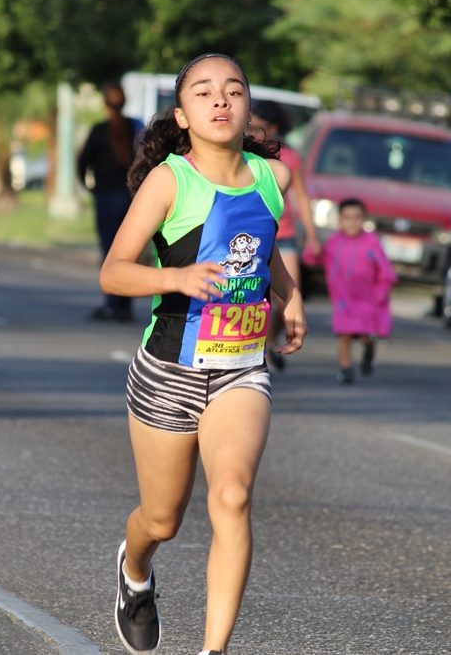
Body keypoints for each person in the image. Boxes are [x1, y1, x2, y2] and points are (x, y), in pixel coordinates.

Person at [99, 53, 306, 655]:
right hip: (168, 369)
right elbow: (115, 272)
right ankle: (135, 572)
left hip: (240, 368)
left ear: (247, 108)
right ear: (183, 115)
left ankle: (213, 650)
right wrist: (178, 279)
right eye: (205, 92)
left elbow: (260, 250)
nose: (221, 100)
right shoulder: (171, 180)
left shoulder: (275, 179)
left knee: (233, 495)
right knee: (162, 521)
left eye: (234, 90)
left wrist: (288, 295)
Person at [250, 100, 321, 371]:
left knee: (288, 296)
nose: (254, 130)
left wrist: (313, 236)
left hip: (286, 234)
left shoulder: (289, 156)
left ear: (274, 127)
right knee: (258, 295)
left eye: (260, 125)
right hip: (257, 234)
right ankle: (259, 348)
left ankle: (270, 340)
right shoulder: (246, 153)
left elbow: (301, 198)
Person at [78, 81, 142, 321]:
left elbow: (83, 161)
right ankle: (124, 305)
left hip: (106, 196)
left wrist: (88, 186)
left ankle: (113, 304)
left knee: (110, 251)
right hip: (131, 198)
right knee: (130, 252)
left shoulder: (99, 130)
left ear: (105, 104)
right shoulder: (135, 127)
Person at [321, 198, 396, 385]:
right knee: (344, 333)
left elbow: (386, 271)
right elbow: (317, 258)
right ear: (339, 220)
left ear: (364, 219)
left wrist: (382, 290)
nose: (352, 222)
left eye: (357, 217)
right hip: (343, 298)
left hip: (367, 299)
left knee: (366, 335)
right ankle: (345, 368)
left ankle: (369, 350)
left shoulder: (371, 242)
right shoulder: (333, 242)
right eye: (347, 217)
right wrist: (310, 250)